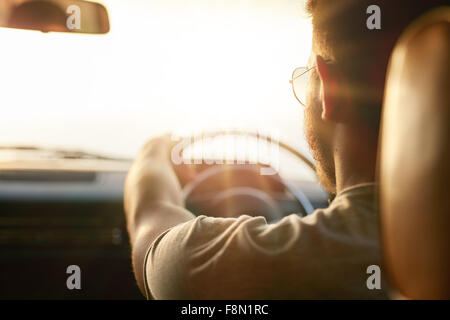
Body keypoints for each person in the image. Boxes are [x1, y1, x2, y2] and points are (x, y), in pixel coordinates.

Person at [124, 0, 448, 299]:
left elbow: (151, 227)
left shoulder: (272, 269)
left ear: (330, 90)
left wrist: (154, 153)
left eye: (307, 79)